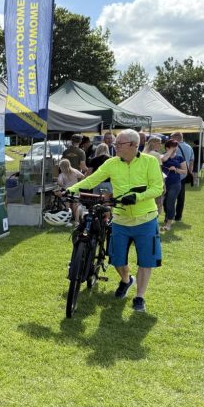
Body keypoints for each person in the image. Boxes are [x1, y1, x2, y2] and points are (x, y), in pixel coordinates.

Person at [68, 129, 164, 313]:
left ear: (134, 145)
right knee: (117, 260)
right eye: (115, 143)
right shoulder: (111, 163)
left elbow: (157, 188)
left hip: (146, 219)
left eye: (119, 144)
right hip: (120, 219)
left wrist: (137, 197)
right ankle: (127, 281)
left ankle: (139, 297)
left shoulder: (150, 161)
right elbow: (92, 179)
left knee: (146, 261)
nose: (115, 147)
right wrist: (71, 189)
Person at [159, 137, 187, 232]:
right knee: (164, 203)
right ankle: (168, 218)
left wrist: (176, 169)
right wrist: (170, 151)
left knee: (170, 202)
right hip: (163, 183)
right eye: (173, 146)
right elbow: (163, 160)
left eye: (176, 146)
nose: (176, 148)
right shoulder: (162, 156)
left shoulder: (180, 158)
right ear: (167, 147)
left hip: (175, 183)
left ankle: (168, 224)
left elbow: (184, 171)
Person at [171, 132, 194, 222]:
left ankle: (170, 215)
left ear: (177, 137)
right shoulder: (189, 147)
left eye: (172, 137)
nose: (170, 139)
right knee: (181, 197)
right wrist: (190, 172)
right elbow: (192, 161)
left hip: (174, 174)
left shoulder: (174, 147)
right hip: (184, 175)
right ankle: (178, 216)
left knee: (171, 196)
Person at [57, 158, 85, 225]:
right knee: (76, 206)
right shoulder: (75, 171)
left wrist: (62, 185)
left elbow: (59, 183)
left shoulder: (62, 174)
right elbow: (83, 176)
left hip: (67, 191)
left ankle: (68, 221)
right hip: (75, 190)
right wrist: (79, 183)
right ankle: (76, 221)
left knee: (67, 207)